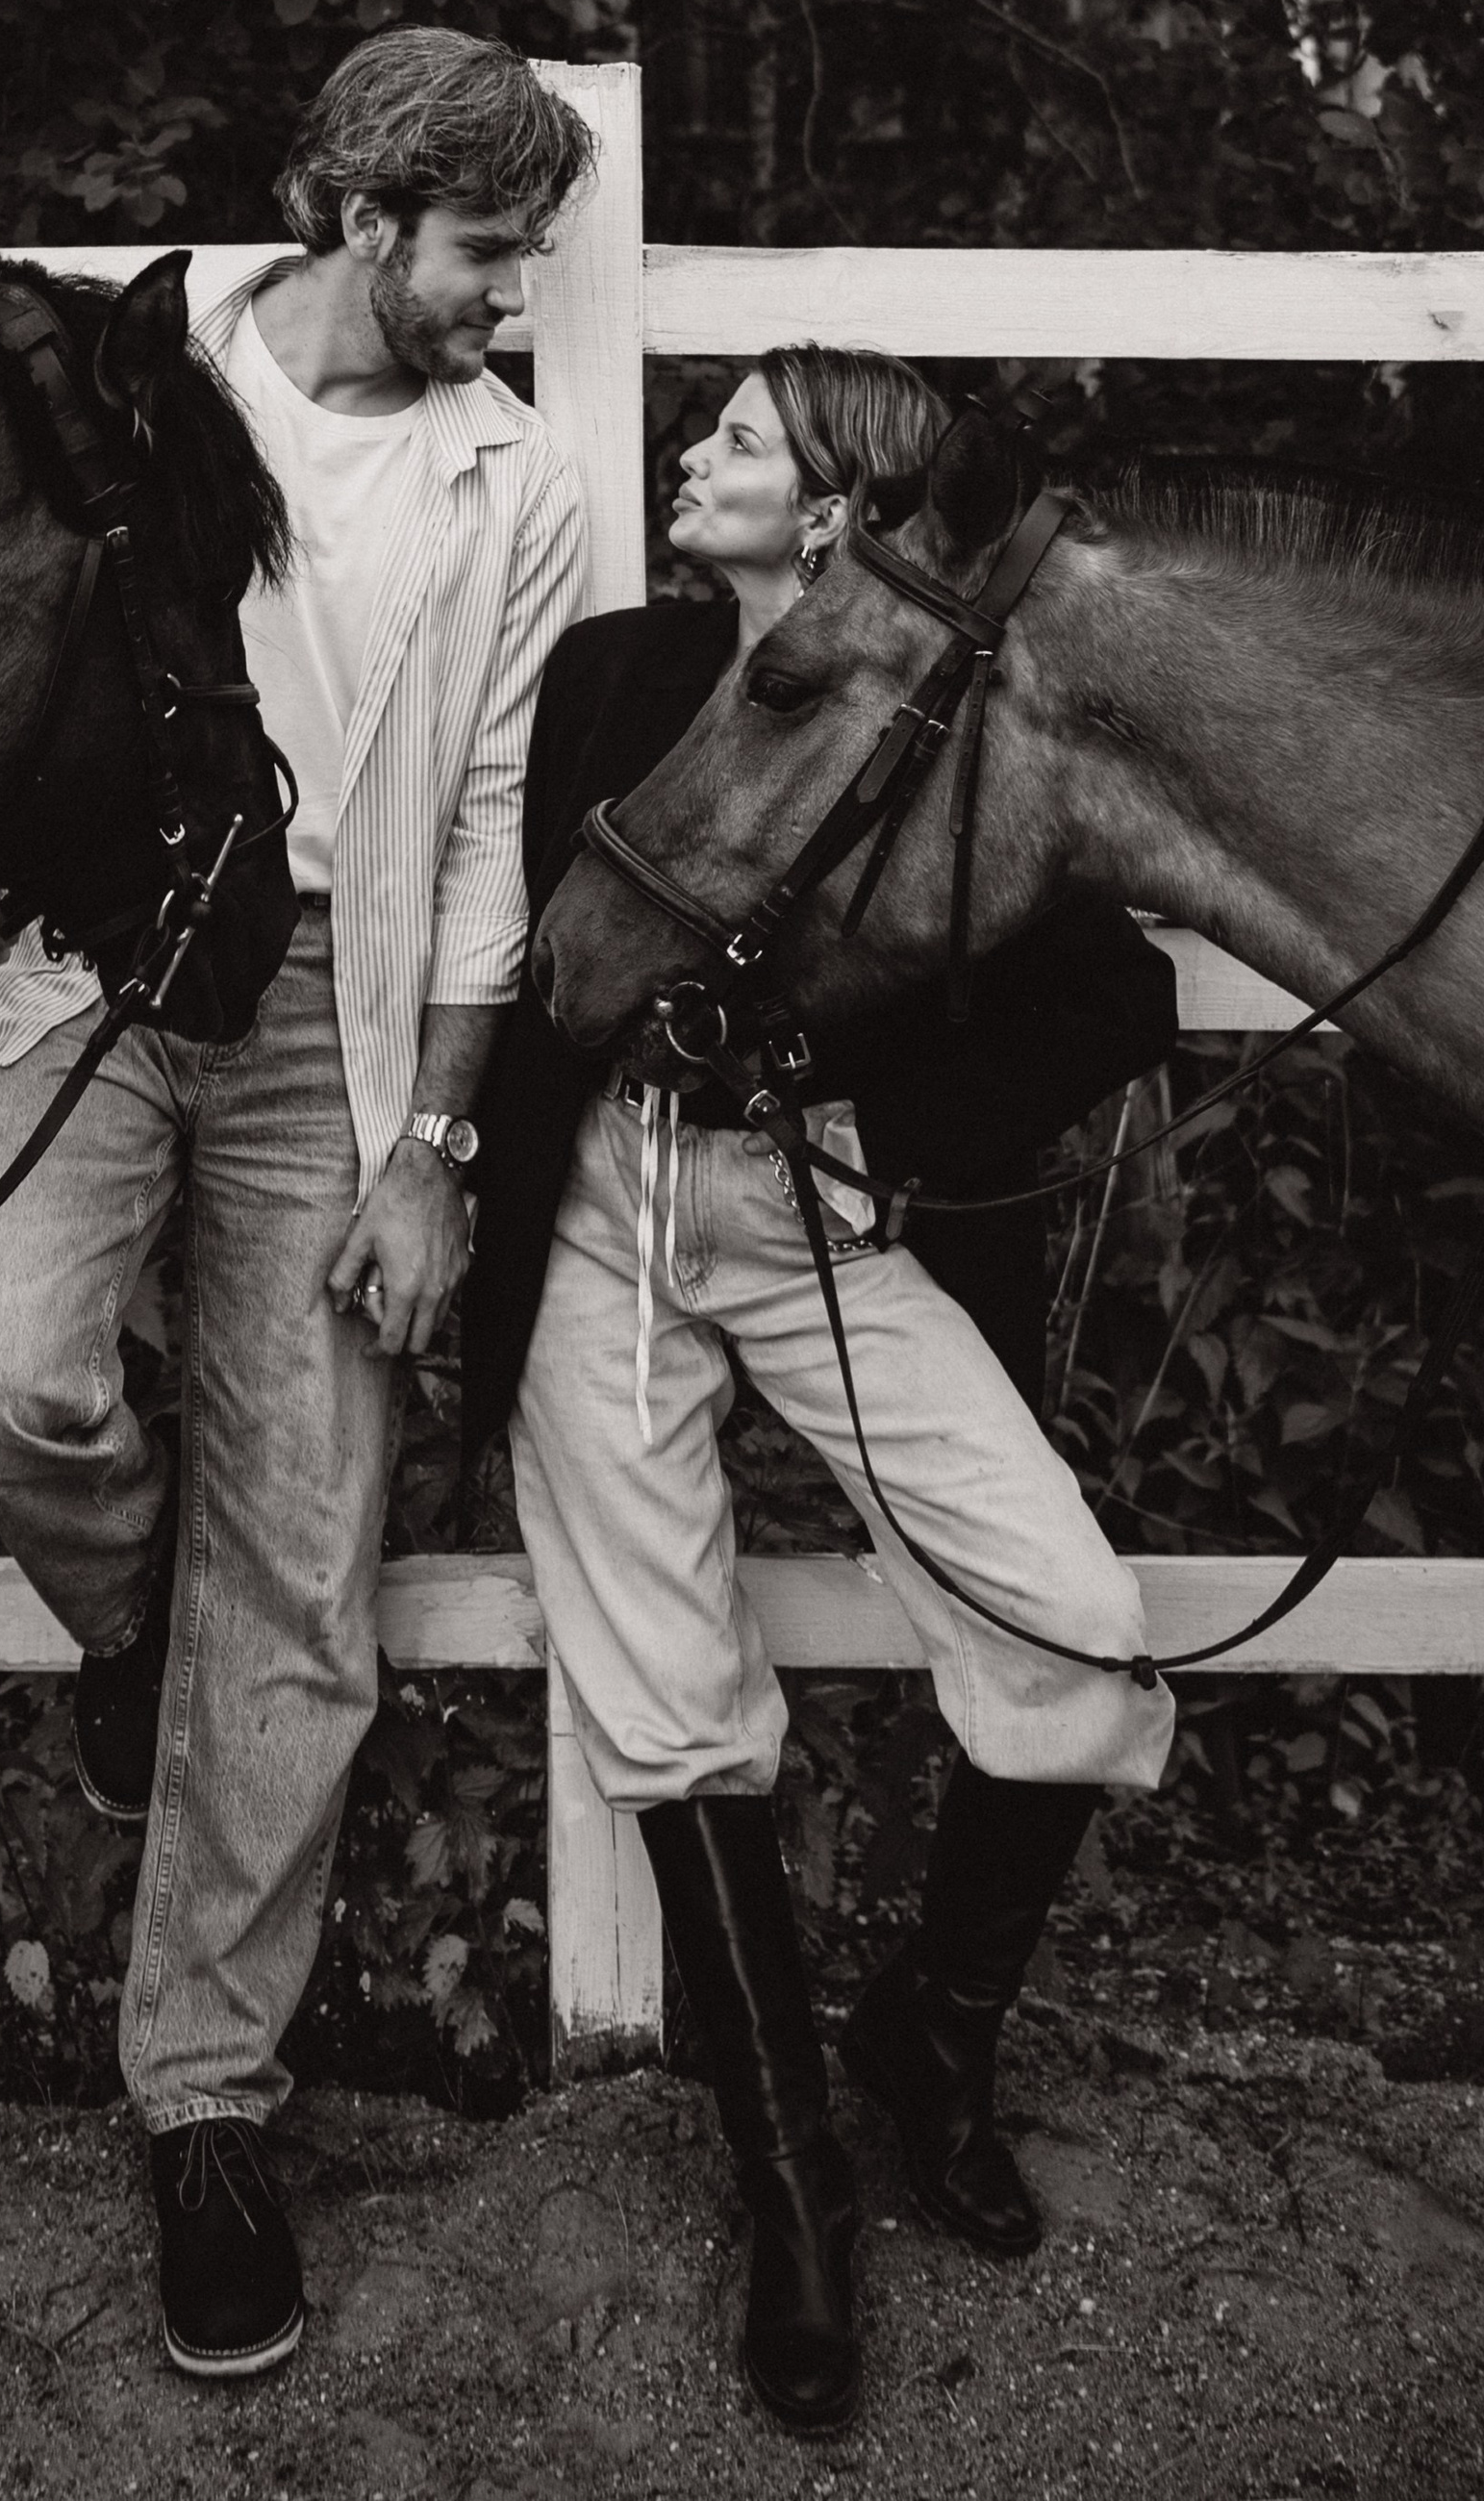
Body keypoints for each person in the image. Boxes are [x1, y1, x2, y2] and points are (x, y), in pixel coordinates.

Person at [0, 28, 589, 2381]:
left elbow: (487, 820)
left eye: (533, 260)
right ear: (357, 212)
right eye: (486, 253)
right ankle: (126, 1640)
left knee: (308, 1578)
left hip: (336, 1022)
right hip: (94, 969)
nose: (511, 299)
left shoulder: (523, 483)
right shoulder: (122, 371)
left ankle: (203, 2103)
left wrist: (435, 1145)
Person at [465, 343, 1180, 2438]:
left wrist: (843, 1066)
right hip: (594, 1213)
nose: (693, 455)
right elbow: (519, 953)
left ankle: (927, 2050)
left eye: (744, 440)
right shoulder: (613, 672)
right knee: (666, 1696)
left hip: (822, 1223)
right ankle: (791, 2192)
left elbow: (1110, 999)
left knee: (1079, 1625)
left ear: (846, 511)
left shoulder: (952, 720)